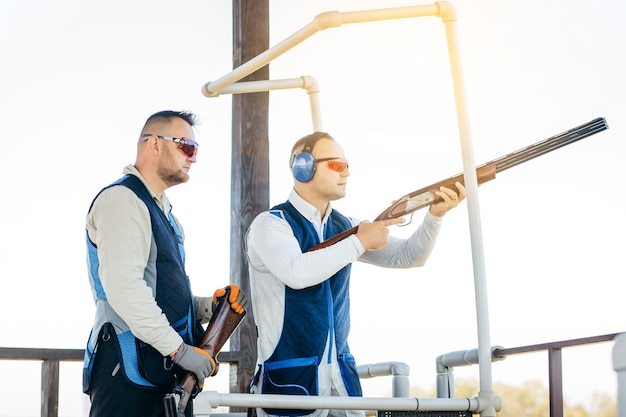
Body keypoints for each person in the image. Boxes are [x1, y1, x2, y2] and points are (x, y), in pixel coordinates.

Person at [246, 131, 466, 417]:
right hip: (289, 385)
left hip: (343, 383)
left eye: (347, 165)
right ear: (303, 166)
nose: (347, 173)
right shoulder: (271, 224)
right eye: (337, 165)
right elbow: (296, 273)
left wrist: (435, 215)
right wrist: (360, 241)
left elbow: (410, 256)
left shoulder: (346, 226)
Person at [82, 110, 247, 417]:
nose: (193, 157)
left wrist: (207, 306)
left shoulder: (168, 215)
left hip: (161, 375)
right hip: (128, 374)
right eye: (187, 146)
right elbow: (124, 288)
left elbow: (159, 291)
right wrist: (181, 351)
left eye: (195, 149)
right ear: (154, 144)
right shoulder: (122, 199)